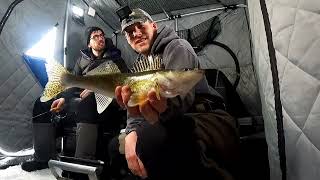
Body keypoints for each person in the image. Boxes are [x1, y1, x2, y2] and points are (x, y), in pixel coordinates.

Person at [110, 8, 240, 180]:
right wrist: (131, 131)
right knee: (115, 146)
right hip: (166, 119)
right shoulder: (141, 63)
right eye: (129, 32)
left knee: (151, 140)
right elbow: (134, 102)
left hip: (205, 115)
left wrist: (164, 108)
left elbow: (182, 98)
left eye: (140, 26)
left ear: (154, 26)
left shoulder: (177, 47)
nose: (136, 33)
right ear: (127, 40)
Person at [22, 26, 128, 172]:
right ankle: (42, 158)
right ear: (89, 43)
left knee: (87, 103)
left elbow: (123, 82)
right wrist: (63, 98)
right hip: (78, 97)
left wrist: (94, 88)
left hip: (103, 99)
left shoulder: (117, 59)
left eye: (102, 35)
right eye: (95, 36)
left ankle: (82, 165)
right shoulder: (81, 60)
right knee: (41, 103)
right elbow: (72, 83)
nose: (100, 38)